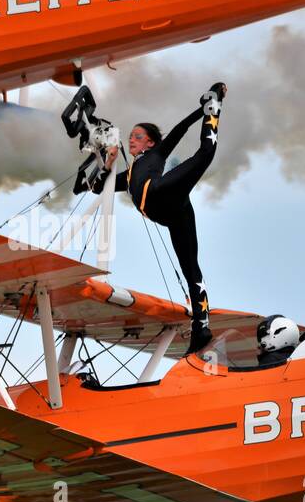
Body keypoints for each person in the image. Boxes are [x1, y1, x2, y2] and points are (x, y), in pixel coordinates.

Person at [88, 83, 226, 354]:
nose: (131, 140)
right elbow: (95, 186)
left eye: (137, 136)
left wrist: (202, 110)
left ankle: (214, 104)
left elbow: (179, 130)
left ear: (150, 142)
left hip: (163, 193)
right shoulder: (128, 177)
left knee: (205, 154)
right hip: (170, 215)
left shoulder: (156, 154)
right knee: (190, 268)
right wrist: (107, 160)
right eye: (130, 136)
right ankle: (201, 330)